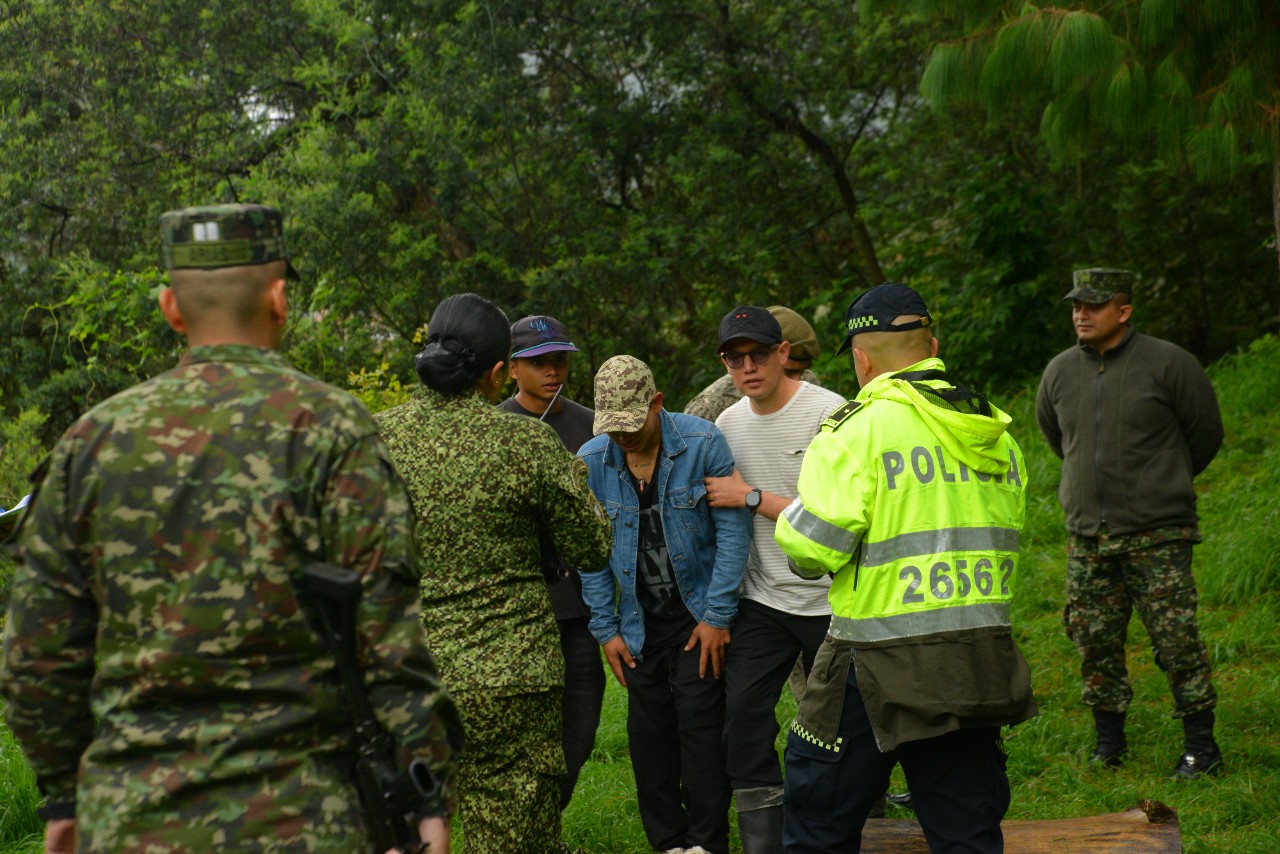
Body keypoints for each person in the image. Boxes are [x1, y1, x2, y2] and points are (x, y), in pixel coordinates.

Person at [1, 204, 461, 853]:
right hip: (305, 819)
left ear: (171, 307)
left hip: (131, 820)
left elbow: (35, 653)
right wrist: (423, 788)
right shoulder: (333, 430)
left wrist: (63, 793)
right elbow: (388, 632)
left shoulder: (91, 444)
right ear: (280, 299)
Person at [775, 283, 1037, 853]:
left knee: (817, 816)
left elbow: (811, 551)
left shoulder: (855, 432)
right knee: (966, 832)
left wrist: (787, 518)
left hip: (874, 662)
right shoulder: (996, 435)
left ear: (861, 358)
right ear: (933, 346)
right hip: (976, 660)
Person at [375, 294, 612, 852]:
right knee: (513, 832)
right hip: (512, 678)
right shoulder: (525, 443)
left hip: (409, 672)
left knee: (409, 828)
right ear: (500, 372)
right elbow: (592, 546)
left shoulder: (374, 439)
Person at [1036, 268, 1224, 779]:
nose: (1082, 314)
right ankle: (1109, 742)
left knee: (1175, 638)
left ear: (1124, 310)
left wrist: (1162, 482)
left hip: (1157, 533)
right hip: (1087, 536)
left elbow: (1204, 433)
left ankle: (1200, 747)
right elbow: (1059, 438)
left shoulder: (1168, 364)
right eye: (1077, 305)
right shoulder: (1058, 372)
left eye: (1094, 306)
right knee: (1093, 639)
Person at [578, 355, 749, 854]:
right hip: (636, 623)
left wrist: (718, 617)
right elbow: (590, 554)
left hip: (696, 616)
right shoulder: (591, 461)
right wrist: (605, 628)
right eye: (614, 428)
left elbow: (732, 535)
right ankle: (669, 844)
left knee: (700, 733)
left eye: (632, 425)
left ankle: (706, 842)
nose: (623, 437)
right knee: (647, 737)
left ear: (657, 404)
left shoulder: (702, 444)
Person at [702, 306, 845, 854]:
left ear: (784, 354)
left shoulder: (829, 414)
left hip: (834, 597)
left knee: (844, 723)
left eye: (759, 355)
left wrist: (752, 498)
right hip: (763, 598)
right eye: (735, 359)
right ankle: (767, 839)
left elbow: (835, 514)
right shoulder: (727, 424)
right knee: (742, 717)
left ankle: (862, 822)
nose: (748, 368)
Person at [497, 314, 604, 810]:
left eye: (559, 360)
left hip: (581, 610)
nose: (553, 371)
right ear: (512, 369)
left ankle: (542, 822)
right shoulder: (494, 429)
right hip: (516, 612)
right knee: (519, 738)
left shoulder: (592, 427)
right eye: (539, 362)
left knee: (579, 731)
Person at [684, 306, 822, 422]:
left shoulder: (811, 386)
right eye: (787, 372)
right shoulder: (711, 407)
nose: (797, 380)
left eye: (801, 372)